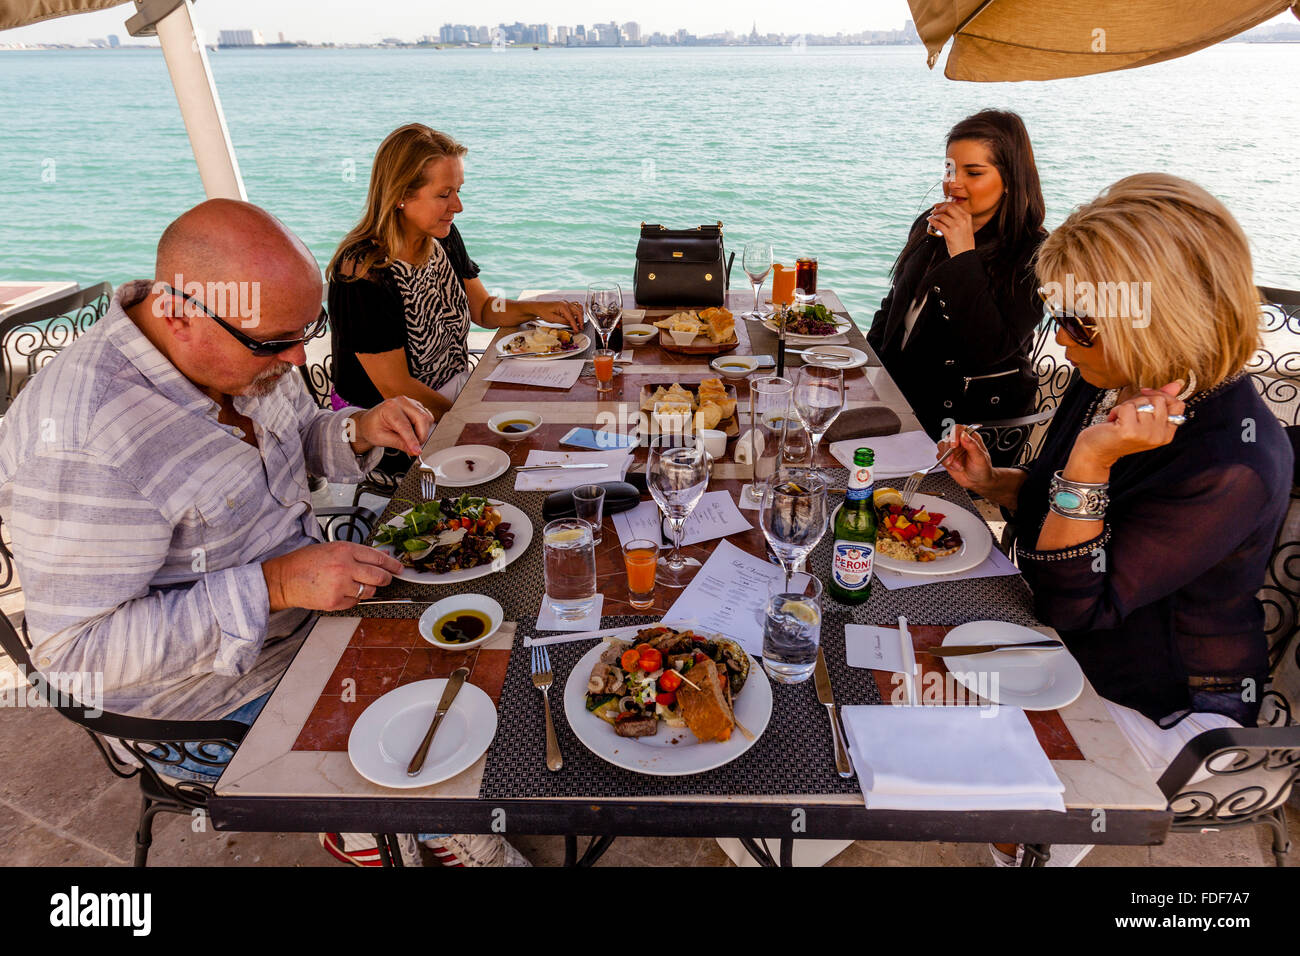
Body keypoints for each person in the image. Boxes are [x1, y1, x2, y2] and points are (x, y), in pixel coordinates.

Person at [0, 199, 524, 866]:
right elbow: (75, 656)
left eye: (309, 329)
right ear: (181, 314)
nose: (300, 354)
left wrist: (357, 428)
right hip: (209, 695)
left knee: (492, 626)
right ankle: (391, 824)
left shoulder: (244, 350)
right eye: (276, 342)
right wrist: (275, 584)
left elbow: (295, 441)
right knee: (430, 730)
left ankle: (403, 805)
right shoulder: (84, 442)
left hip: (309, 612)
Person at [939, 174, 1292, 866]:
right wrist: (995, 483)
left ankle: (1032, 846)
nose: (1061, 340)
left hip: (1160, 702)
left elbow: (1076, 607)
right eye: (1057, 315)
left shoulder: (1232, 463)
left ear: (1155, 321)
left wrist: (1094, 461)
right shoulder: (1116, 376)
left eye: (1078, 322)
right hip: (1065, 638)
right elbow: (1055, 510)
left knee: (959, 740)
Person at [327, 123, 583, 421]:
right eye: (444, 194)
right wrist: (468, 421)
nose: (458, 206)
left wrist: (539, 309)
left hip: (454, 391)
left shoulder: (442, 237)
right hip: (389, 422)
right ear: (400, 195)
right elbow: (395, 388)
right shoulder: (363, 273)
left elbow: (484, 309)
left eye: (458, 191)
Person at [868, 109, 1047, 454]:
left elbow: (988, 351)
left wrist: (963, 255)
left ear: (1011, 179)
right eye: (950, 169)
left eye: (973, 172)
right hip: (900, 402)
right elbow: (895, 306)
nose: (953, 183)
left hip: (974, 427)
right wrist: (869, 369)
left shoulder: (1035, 253)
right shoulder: (930, 224)